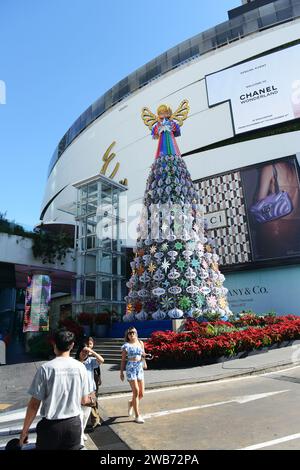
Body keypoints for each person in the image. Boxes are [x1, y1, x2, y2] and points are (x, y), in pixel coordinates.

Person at [19, 329, 90, 450]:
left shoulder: (46, 369)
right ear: (72, 345)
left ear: (54, 344)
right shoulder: (80, 367)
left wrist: (24, 431)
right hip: (73, 425)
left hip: (50, 427)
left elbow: (34, 405)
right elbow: (84, 400)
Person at [252, 160, 300, 258]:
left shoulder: (270, 167)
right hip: (296, 225)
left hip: (277, 226)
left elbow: (261, 201)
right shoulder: (295, 167)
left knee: (272, 264)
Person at [76, 336, 104, 444]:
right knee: (79, 414)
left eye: (86, 353)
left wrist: (91, 351)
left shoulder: (90, 361)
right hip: (77, 392)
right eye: (83, 352)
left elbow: (102, 360)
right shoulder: (74, 362)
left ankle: (81, 432)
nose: (85, 354)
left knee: (86, 414)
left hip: (90, 391)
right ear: (79, 351)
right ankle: (78, 434)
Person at [120, 327, 146, 424]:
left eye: (133, 332)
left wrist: (145, 362)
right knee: (136, 391)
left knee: (141, 394)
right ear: (127, 335)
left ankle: (131, 403)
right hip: (130, 367)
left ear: (136, 333)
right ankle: (137, 415)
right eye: (129, 333)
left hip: (139, 367)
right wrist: (121, 372)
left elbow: (143, 355)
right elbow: (123, 360)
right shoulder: (126, 346)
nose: (132, 334)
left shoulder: (141, 343)